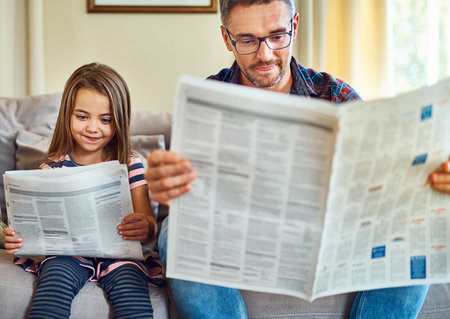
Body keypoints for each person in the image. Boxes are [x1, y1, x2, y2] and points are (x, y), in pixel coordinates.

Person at [145, 1, 450, 319]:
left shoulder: (334, 94)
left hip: (329, 238)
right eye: (248, 40)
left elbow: (389, 175)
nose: (264, 55)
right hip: (241, 239)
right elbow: (184, 198)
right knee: (174, 231)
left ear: (295, 25)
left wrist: (432, 178)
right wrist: (165, 188)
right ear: (226, 38)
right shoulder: (205, 99)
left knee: (422, 224)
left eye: (277, 35)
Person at [2, 63, 163, 319]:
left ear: (119, 120)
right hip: (68, 254)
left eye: (105, 119)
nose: (92, 128)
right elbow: (34, 229)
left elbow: (150, 227)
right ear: (67, 115)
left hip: (120, 253)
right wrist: (16, 238)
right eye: (82, 116)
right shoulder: (52, 167)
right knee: (52, 289)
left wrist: (146, 227)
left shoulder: (131, 164)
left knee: (133, 299)